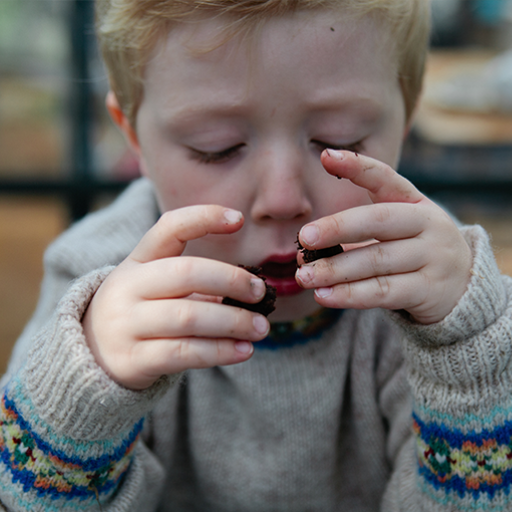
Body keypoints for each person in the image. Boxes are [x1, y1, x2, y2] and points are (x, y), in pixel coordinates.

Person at [1, 0, 511, 510]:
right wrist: (86, 392)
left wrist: (467, 357)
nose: (284, 198)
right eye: (216, 147)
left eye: (340, 139)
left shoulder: (439, 294)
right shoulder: (92, 285)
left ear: (407, 114)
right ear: (133, 133)